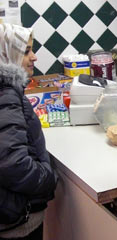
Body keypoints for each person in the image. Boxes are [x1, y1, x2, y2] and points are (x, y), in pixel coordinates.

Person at [0, 23, 57, 239]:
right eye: (26, 51)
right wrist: (48, 178)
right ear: (6, 54)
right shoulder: (6, 95)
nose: (34, 57)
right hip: (18, 221)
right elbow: (12, 164)